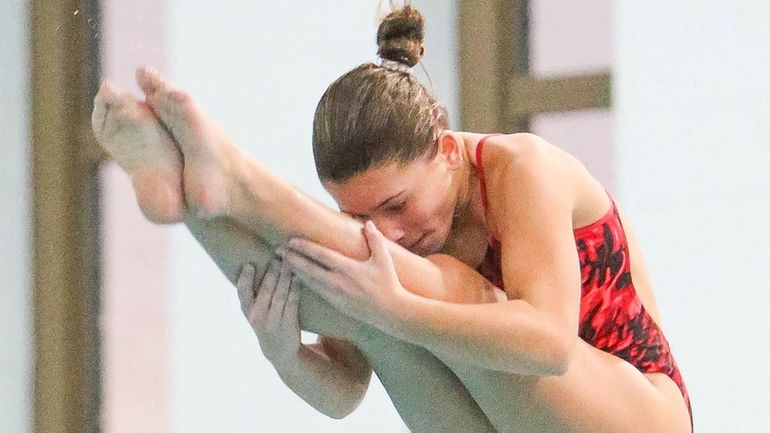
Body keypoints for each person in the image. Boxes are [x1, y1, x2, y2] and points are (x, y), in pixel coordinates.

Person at [92, 5, 692, 432]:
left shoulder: (522, 170)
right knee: (373, 299)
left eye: (396, 205)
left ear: (447, 150)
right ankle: (193, 205)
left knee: (433, 293)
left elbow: (549, 345)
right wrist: (285, 355)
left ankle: (241, 185)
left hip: (636, 414)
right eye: (360, 218)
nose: (388, 231)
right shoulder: (387, 241)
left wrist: (397, 309)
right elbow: (343, 394)